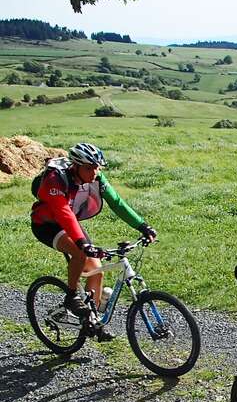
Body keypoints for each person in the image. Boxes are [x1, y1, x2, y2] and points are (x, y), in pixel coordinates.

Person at [30, 143, 157, 340]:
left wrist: (142, 225)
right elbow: (63, 212)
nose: (95, 172)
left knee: (95, 270)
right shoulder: (55, 179)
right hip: (47, 224)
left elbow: (116, 202)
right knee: (80, 253)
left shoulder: (96, 177)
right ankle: (71, 296)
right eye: (89, 168)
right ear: (76, 166)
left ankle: (92, 320)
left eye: (97, 167)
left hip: (70, 222)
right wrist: (82, 243)